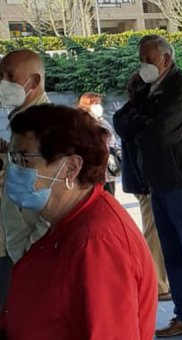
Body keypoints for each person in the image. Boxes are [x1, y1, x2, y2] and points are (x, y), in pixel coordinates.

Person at [0, 105, 156, 339]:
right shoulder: (66, 221)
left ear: (71, 168)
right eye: (12, 159)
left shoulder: (98, 242)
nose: (13, 170)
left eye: (23, 160)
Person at [113, 35, 182, 340]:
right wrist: (141, 121)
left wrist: (140, 123)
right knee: (172, 252)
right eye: (141, 58)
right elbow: (121, 121)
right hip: (157, 180)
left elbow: (163, 132)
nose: (143, 65)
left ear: (166, 59)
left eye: (149, 59)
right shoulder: (145, 88)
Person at [0, 49, 50, 307]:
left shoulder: (45, 127)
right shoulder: (21, 120)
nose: (2, 83)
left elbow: (53, 192)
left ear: (34, 82)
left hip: (29, 247)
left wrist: (33, 247)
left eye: (9, 75)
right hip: (17, 244)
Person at [118, 73, 171, 302]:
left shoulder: (126, 114)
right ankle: (158, 283)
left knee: (154, 230)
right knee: (154, 232)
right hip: (147, 182)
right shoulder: (137, 115)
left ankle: (160, 281)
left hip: (141, 182)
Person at [77, 92, 121, 196]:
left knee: (108, 197)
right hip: (90, 171)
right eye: (94, 103)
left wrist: (119, 155)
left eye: (99, 103)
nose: (98, 106)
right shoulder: (80, 123)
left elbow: (113, 144)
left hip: (107, 171)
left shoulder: (103, 122)